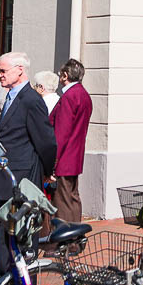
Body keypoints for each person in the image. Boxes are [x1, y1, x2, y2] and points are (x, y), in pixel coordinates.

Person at [0, 52, 57, 274]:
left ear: (20, 70)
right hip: (8, 177)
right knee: (5, 230)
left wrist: (48, 172)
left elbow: (46, 142)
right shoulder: (11, 96)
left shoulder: (31, 100)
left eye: (3, 71)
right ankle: (6, 283)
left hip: (23, 178)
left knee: (22, 234)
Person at [51, 59, 92, 224]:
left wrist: (53, 161)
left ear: (65, 75)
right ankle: (74, 237)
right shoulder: (84, 95)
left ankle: (67, 239)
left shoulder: (69, 96)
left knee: (63, 201)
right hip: (75, 155)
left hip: (65, 157)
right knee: (72, 198)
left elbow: (61, 133)